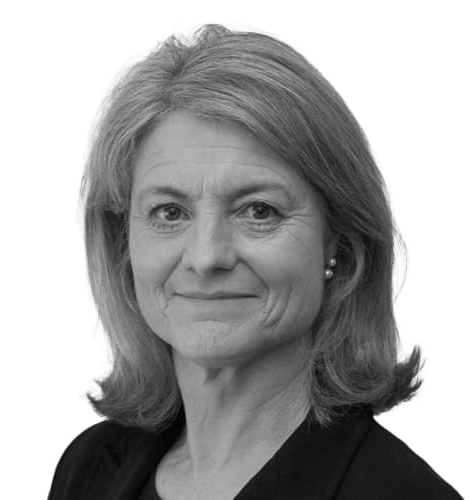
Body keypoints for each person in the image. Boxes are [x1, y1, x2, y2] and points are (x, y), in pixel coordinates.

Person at [47, 24, 462, 499]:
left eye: (258, 211)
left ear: (339, 244)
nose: (206, 257)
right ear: (123, 242)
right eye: (169, 213)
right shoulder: (89, 468)